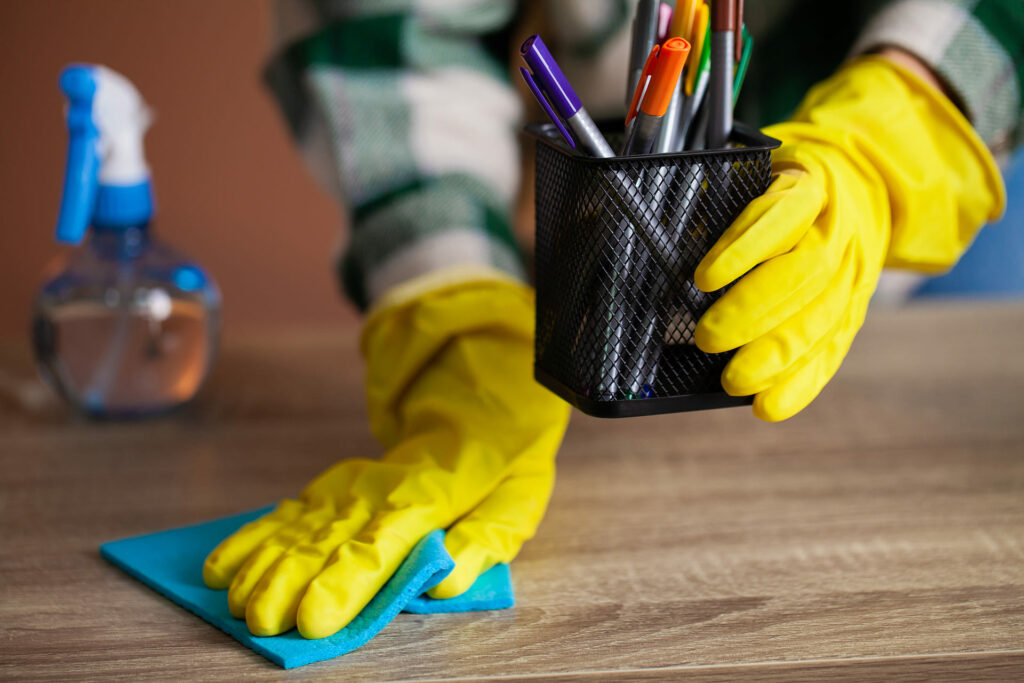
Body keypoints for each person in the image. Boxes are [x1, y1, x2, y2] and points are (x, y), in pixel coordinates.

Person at [202, 0, 1023, 639]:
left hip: (955, 140)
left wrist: (897, 140)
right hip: (627, 231)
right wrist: (457, 312)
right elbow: (397, 47)